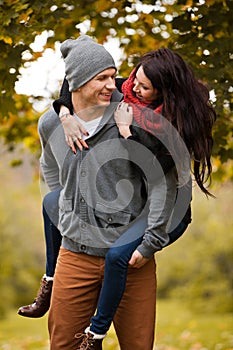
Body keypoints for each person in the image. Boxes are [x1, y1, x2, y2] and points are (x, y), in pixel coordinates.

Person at [37, 35, 180, 350]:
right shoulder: (51, 122)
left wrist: (149, 241)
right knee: (64, 346)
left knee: (138, 345)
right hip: (75, 256)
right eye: (101, 78)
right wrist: (67, 202)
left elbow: (162, 181)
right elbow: (47, 164)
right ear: (77, 81)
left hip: (130, 259)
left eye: (112, 75)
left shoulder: (132, 115)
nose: (111, 84)